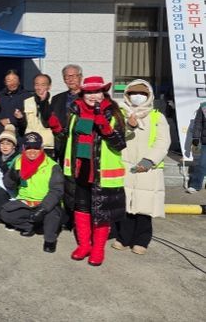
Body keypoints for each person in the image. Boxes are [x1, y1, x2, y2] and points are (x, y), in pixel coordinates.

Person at [47, 76, 127, 266]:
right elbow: (67, 138)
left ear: (104, 93)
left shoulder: (114, 113)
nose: (93, 96)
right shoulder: (75, 112)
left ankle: (98, 249)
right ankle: (84, 245)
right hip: (79, 170)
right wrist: (56, 127)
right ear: (82, 95)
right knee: (81, 208)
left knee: (101, 212)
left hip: (101, 173)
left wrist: (104, 125)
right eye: (89, 92)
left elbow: (119, 144)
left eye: (97, 91)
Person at [113, 80, 170, 255]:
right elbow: (115, 136)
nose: (137, 97)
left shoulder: (157, 117)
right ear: (127, 95)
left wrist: (149, 161)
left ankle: (141, 240)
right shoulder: (121, 114)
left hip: (148, 168)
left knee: (145, 207)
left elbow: (163, 142)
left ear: (149, 96)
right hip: (126, 166)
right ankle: (124, 237)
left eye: (142, 94)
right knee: (126, 205)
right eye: (133, 93)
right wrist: (129, 126)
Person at [0, 132, 64, 253]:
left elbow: (57, 190)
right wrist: (12, 177)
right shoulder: (18, 161)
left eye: (36, 147)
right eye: (29, 147)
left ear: (41, 148)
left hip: (45, 203)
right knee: (5, 213)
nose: (32, 151)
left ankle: (50, 240)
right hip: (26, 201)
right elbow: (8, 185)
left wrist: (43, 208)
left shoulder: (52, 166)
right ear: (24, 148)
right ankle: (30, 226)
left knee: (52, 214)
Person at [47, 64, 83, 163]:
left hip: (81, 142)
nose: (70, 79)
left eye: (74, 76)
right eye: (67, 77)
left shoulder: (88, 97)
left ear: (80, 77)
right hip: (62, 142)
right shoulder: (57, 98)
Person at [0, 125, 19, 222]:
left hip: (14, 194)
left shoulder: (18, 159)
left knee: (0, 193)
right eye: (2, 143)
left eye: (8, 144)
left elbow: (16, 182)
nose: (4, 147)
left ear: (14, 146)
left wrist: (7, 171)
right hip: (1, 191)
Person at [0, 69, 30, 138]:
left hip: (18, 134)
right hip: (1, 133)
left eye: (14, 79)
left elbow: (28, 116)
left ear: (19, 81)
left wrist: (11, 120)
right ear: (5, 82)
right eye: (8, 80)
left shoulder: (26, 96)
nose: (12, 83)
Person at [23, 74, 54, 157]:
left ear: (49, 86)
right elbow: (23, 124)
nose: (39, 87)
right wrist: (20, 119)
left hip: (48, 145)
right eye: (37, 84)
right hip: (30, 144)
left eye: (43, 85)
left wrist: (43, 102)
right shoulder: (27, 102)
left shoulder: (54, 101)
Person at [189, 100, 206, 193]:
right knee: (202, 164)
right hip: (205, 142)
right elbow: (198, 123)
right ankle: (195, 185)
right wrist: (196, 137)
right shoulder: (204, 106)